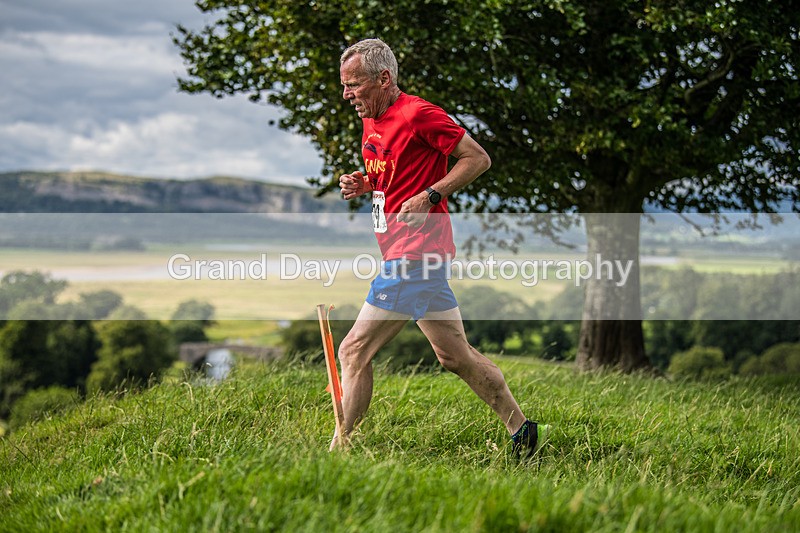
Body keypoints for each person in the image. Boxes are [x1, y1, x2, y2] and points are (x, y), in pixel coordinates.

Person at [335, 38, 548, 458]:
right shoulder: (372, 118)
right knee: (455, 357)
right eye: (344, 85)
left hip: (415, 254)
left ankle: (340, 452)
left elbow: (477, 158)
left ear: (384, 78)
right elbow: (395, 173)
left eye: (354, 84)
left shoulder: (418, 113)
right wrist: (367, 182)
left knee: (353, 349)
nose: (347, 95)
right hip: (409, 251)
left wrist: (432, 195)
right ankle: (523, 432)